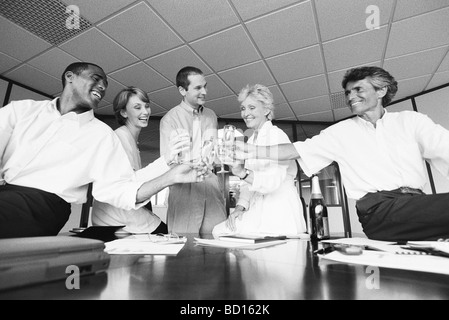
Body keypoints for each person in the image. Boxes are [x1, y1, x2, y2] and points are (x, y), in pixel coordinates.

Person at [235, 66, 449, 242]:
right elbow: (295, 151)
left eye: (358, 90)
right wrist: (249, 150)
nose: (350, 97)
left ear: (381, 91)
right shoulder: (340, 132)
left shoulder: (411, 121)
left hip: (418, 205)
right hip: (378, 209)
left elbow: (444, 147)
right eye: (348, 92)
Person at [0, 62, 204, 239]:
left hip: (44, 204)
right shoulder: (21, 110)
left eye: (146, 106)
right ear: (69, 77)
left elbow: (121, 187)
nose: (102, 87)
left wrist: (169, 172)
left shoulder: (103, 136)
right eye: (96, 79)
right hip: (8, 193)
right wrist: (166, 164)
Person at [91, 87, 190, 234]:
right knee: (167, 234)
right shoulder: (118, 138)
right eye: (137, 107)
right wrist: (167, 159)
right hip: (115, 219)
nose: (145, 112)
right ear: (123, 112)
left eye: (147, 106)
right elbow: (128, 185)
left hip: (124, 216)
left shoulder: (131, 140)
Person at [212, 84, 306, 236]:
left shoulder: (276, 135)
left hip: (279, 211)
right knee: (218, 231)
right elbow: (247, 185)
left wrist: (242, 173)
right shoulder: (251, 141)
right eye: (243, 108)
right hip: (257, 208)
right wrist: (239, 208)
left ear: (267, 110)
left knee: (275, 257)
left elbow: (272, 182)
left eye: (251, 107)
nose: (246, 113)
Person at [159, 66, 227, 234]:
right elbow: (168, 161)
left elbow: (213, 150)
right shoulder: (169, 120)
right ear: (182, 90)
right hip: (184, 187)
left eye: (205, 86)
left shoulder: (211, 115)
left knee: (218, 238)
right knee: (184, 244)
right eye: (198, 88)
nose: (204, 91)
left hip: (210, 183)